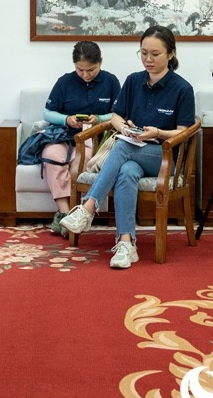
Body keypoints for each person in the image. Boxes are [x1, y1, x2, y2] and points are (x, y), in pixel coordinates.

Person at [60, 26, 195, 268]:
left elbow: (183, 131)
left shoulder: (182, 88)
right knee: (126, 170)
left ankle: (88, 207)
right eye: (143, 53)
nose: (148, 59)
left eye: (155, 54)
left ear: (171, 54)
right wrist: (124, 128)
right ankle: (126, 243)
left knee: (123, 149)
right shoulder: (133, 81)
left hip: (163, 157)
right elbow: (116, 116)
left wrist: (157, 133)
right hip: (132, 151)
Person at [42, 41, 121, 235]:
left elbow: (119, 114)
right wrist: (66, 119)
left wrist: (99, 119)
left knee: (81, 161)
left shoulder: (110, 82)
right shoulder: (65, 82)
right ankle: (65, 214)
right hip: (63, 135)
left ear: (100, 62)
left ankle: (77, 215)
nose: (85, 75)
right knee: (52, 157)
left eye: (91, 70)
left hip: (94, 137)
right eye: (80, 70)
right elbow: (48, 113)